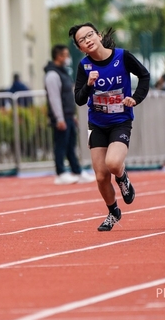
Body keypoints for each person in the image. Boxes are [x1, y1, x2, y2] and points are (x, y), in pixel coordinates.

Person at [70, 23, 150, 232]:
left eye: (89, 35)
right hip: (96, 124)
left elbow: (144, 75)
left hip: (120, 121)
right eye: (82, 40)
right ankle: (113, 212)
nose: (87, 40)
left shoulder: (122, 56)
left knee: (113, 164)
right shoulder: (84, 66)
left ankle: (122, 178)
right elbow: (79, 99)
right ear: (80, 48)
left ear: (98, 35)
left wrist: (135, 98)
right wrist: (88, 84)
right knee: (101, 176)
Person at [45, 44, 94, 185]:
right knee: (61, 145)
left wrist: (72, 115)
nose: (68, 58)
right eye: (66, 55)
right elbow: (54, 98)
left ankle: (77, 171)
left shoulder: (63, 73)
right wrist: (59, 118)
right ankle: (60, 173)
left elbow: (68, 96)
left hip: (68, 114)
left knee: (71, 145)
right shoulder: (52, 75)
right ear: (59, 56)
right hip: (61, 116)